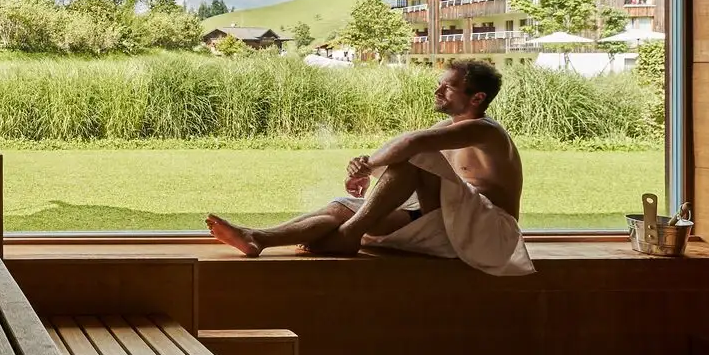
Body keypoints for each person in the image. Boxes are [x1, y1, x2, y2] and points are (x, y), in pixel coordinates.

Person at [205, 60, 535, 277]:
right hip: (447, 222)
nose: (437, 90)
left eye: (447, 86)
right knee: (340, 209)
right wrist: (371, 170)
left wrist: (368, 165)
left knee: (411, 156)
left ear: (477, 98)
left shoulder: (485, 131)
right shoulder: (447, 129)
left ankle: (349, 236)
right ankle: (258, 238)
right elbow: (413, 155)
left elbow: (410, 145)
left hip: (489, 231)